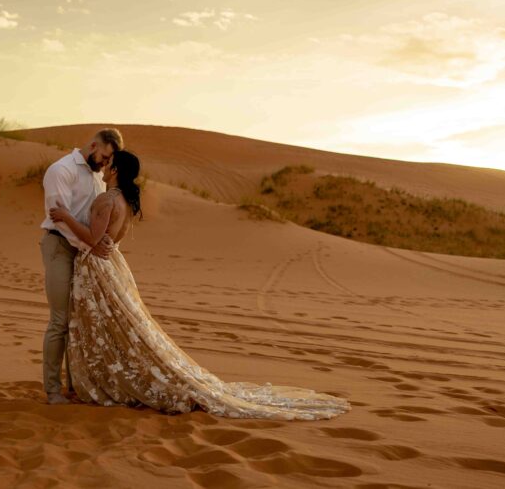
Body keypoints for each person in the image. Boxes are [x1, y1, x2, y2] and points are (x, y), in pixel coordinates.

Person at [49, 150, 350, 420]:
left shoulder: (107, 199)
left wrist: (64, 217)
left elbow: (91, 239)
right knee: (118, 326)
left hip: (97, 269)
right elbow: (110, 241)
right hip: (113, 264)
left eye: (108, 163)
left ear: (115, 169)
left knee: (104, 325)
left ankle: (106, 381)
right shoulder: (127, 202)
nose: (103, 165)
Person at [39, 128, 125, 405]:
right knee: (60, 321)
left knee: (79, 322)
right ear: (93, 146)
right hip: (60, 247)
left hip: (85, 255)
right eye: (104, 156)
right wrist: (92, 244)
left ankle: (77, 386)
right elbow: (59, 218)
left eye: (109, 160)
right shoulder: (60, 170)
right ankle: (53, 390)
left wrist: (100, 244)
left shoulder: (99, 179)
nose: (104, 163)